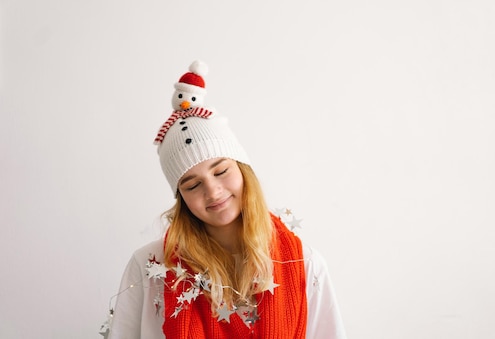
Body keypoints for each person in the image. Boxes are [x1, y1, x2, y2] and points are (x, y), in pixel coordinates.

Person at [106, 61, 346, 339]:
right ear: (181, 197)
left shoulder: (304, 264)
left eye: (221, 171)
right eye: (192, 184)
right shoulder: (150, 267)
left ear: (244, 171)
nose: (213, 191)